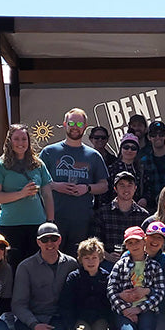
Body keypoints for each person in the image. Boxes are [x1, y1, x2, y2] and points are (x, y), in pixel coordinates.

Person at [39, 108, 110, 255]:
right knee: (52, 258)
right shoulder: (49, 152)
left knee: (78, 259)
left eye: (79, 123)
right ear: (65, 124)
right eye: (71, 122)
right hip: (53, 219)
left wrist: (87, 188)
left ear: (85, 127)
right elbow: (36, 181)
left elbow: (104, 186)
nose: (75, 127)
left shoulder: (93, 155)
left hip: (82, 221)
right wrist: (55, 186)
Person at [0, 124, 55, 271]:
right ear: (9, 141)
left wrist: (50, 221)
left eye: (24, 139)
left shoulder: (38, 164)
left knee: (38, 268)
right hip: (11, 226)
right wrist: (21, 194)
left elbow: (47, 194)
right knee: (12, 268)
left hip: (37, 224)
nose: (20, 143)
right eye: (16, 139)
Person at [92, 171, 150, 264]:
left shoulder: (143, 215)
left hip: (136, 262)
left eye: (129, 185)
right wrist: (107, 256)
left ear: (135, 188)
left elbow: (147, 243)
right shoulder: (102, 213)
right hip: (108, 262)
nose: (126, 189)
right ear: (115, 189)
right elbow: (95, 242)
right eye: (122, 185)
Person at [139, 120, 165, 213]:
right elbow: (143, 186)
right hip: (153, 208)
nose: (157, 137)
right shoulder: (144, 161)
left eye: (161, 134)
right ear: (149, 137)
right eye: (153, 135)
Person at [102, 133, 148, 210]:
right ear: (121, 149)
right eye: (126, 147)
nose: (129, 150)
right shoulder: (111, 168)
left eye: (133, 148)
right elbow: (105, 192)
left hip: (137, 210)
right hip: (114, 210)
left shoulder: (141, 170)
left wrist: (145, 199)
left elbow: (148, 189)